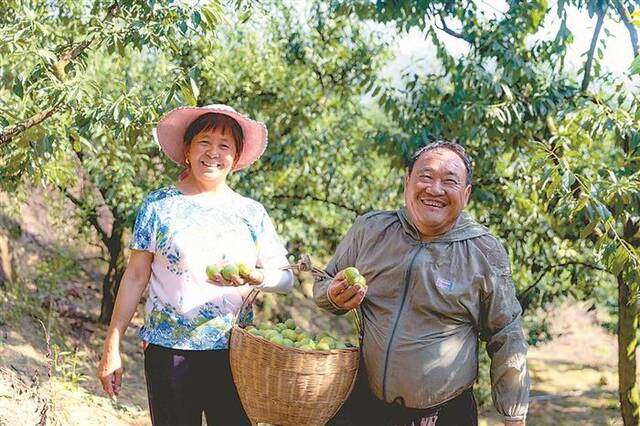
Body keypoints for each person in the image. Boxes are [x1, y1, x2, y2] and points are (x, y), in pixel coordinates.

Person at [97, 104, 293, 425]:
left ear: (236, 157)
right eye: (204, 142)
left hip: (235, 354)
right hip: (169, 351)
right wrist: (112, 347)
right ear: (187, 149)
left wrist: (256, 277)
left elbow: (286, 280)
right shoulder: (159, 206)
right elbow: (134, 277)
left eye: (224, 145)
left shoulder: (250, 213)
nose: (213, 153)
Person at [314, 141, 529, 426]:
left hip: (444, 415)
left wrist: (513, 415)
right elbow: (323, 284)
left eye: (449, 181)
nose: (435, 189)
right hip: (365, 407)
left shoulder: (483, 251)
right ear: (407, 183)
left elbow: (506, 333)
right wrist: (332, 295)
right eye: (425, 177)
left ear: (466, 194)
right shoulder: (371, 230)